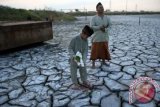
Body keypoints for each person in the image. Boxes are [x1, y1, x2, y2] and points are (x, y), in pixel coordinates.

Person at [68, 25, 94, 89]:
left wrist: (84, 59)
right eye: (87, 36)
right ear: (83, 33)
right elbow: (70, 48)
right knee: (73, 71)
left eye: (88, 37)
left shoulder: (86, 41)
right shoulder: (75, 39)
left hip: (81, 58)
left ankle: (84, 80)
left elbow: (85, 50)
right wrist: (73, 56)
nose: (87, 38)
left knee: (83, 69)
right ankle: (75, 83)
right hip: (74, 58)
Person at [90, 2, 111, 68]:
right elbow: (92, 27)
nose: (102, 9)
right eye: (100, 7)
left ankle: (103, 62)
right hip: (96, 38)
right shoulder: (93, 18)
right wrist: (99, 27)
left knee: (104, 50)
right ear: (97, 9)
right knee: (94, 51)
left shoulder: (107, 18)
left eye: (102, 7)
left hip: (104, 37)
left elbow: (110, 26)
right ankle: (93, 64)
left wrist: (105, 29)